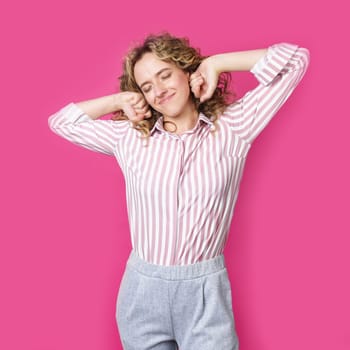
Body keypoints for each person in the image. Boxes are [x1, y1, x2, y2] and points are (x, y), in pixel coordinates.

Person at [48, 32, 310, 350]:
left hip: (204, 293)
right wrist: (119, 100)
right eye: (146, 86)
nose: (158, 91)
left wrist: (216, 63)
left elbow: (296, 59)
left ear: (186, 72)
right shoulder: (130, 138)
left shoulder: (233, 127)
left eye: (165, 75)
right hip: (142, 293)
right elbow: (62, 122)